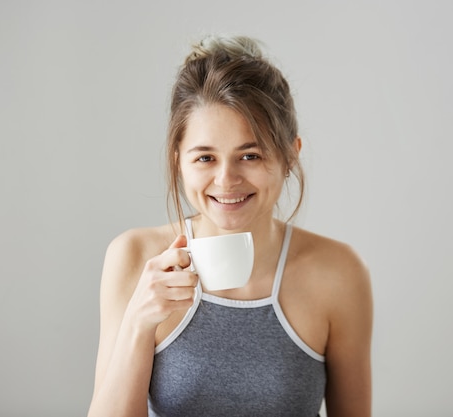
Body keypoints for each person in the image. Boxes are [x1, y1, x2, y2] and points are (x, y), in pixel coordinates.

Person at [87, 34, 373, 417]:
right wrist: (139, 323)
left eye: (250, 155)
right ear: (178, 161)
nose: (226, 179)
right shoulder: (134, 257)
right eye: (205, 158)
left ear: (290, 157)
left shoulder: (339, 272)